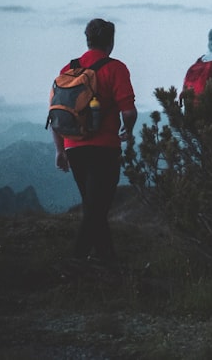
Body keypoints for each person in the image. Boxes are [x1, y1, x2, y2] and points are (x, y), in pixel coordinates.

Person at [51, 18, 137, 266]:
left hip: (73, 147)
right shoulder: (115, 68)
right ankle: (75, 263)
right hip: (104, 147)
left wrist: (60, 150)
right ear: (111, 41)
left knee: (94, 207)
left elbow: (57, 110)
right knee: (96, 210)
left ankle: (107, 261)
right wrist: (128, 131)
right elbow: (129, 112)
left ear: (87, 40)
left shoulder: (68, 69)